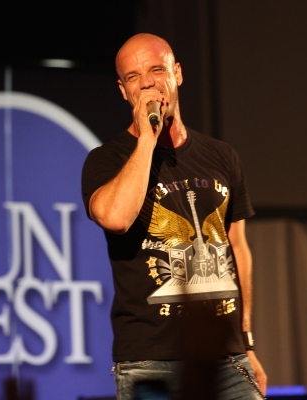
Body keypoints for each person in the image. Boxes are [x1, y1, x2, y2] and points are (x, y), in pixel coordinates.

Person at [81, 33, 267, 399]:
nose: (147, 83)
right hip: (151, 361)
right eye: (133, 77)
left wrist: (246, 340)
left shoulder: (222, 155)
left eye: (156, 70)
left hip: (226, 358)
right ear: (123, 90)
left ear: (177, 73)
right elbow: (116, 218)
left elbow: (238, 249)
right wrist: (147, 140)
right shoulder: (106, 160)